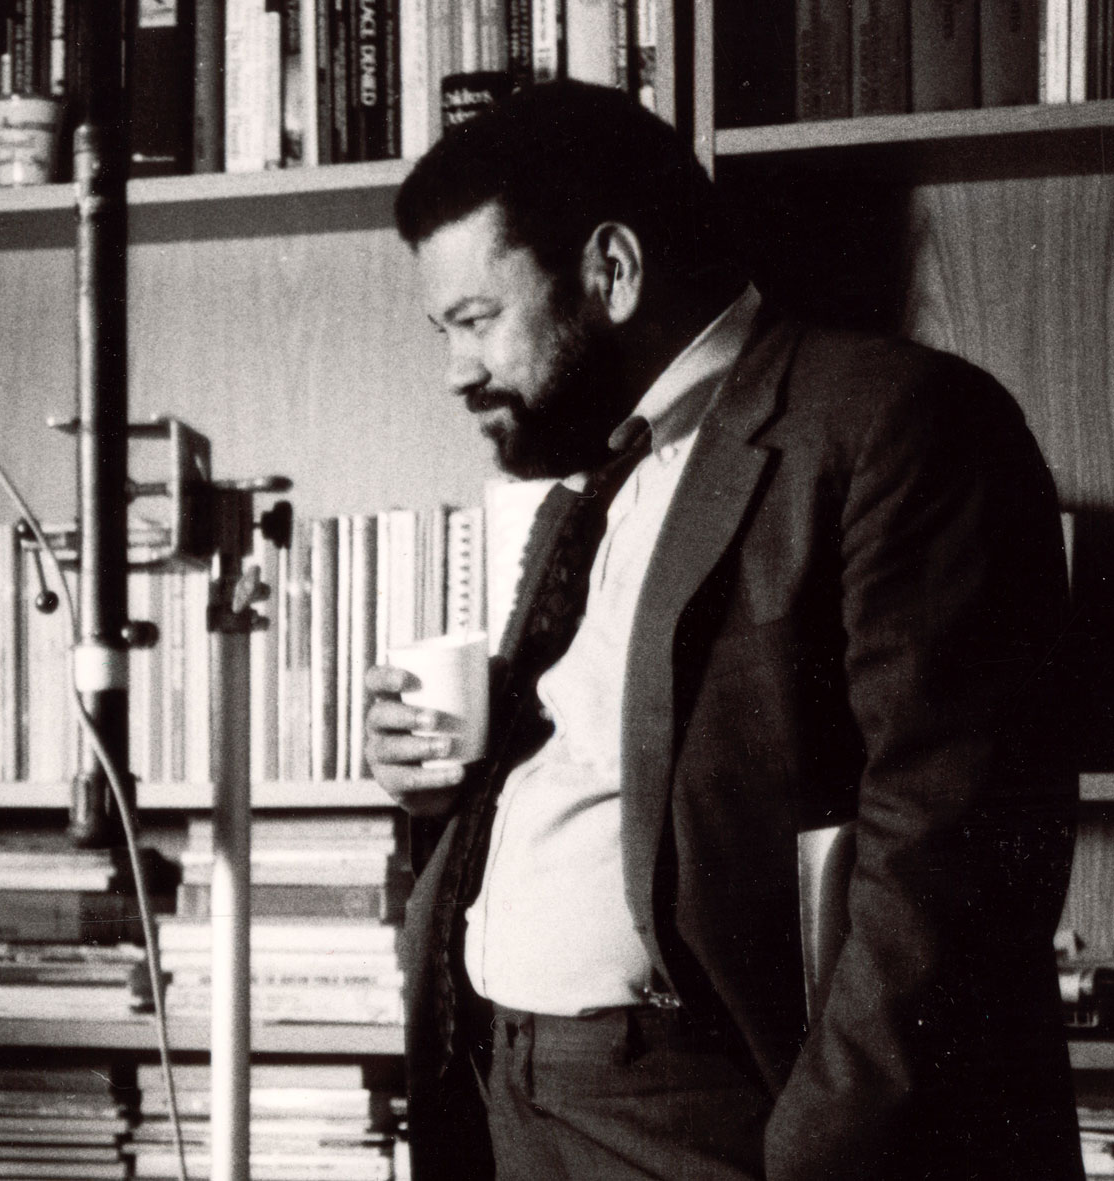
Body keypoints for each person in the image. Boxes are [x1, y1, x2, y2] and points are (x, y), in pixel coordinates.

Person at [367, 81, 1079, 1181]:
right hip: (507, 1092)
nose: (456, 369)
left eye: (474, 319)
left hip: (701, 1115)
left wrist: (818, 1152)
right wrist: (435, 786)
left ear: (611, 271)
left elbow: (956, 852)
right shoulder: (597, 474)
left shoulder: (897, 421)